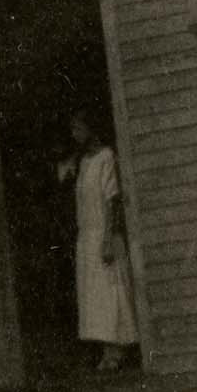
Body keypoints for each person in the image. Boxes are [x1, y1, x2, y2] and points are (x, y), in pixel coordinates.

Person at [60, 111, 138, 370]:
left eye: (79, 129)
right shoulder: (83, 162)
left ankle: (117, 351)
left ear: (91, 130)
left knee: (111, 292)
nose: (75, 134)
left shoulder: (106, 157)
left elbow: (112, 201)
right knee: (96, 296)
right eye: (73, 130)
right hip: (87, 236)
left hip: (104, 234)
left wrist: (107, 239)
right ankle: (107, 351)